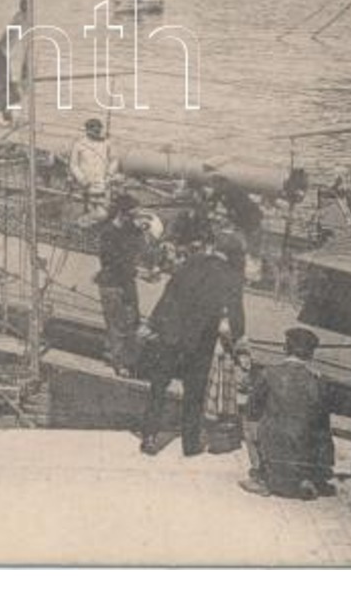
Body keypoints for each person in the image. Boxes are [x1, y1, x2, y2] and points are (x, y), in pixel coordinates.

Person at [139, 234, 246, 457]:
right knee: (194, 393)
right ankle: (190, 444)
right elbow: (236, 318)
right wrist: (236, 335)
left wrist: (153, 324)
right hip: (199, 342)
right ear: (234, 255)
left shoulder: (191, 262)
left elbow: (169, 294)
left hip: (170, 335)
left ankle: (149, 437)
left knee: (158, 386)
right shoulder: (232, 276)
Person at [241, 326, 336, 499]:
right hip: (304, 449)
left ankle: (261, 476)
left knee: (249, 421)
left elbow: (251, 409)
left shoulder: (268, 373)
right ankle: (310, 477)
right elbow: (323, 423)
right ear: (311, 354)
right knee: (321, 427)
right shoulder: (318, 381)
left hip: (274, 447)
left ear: (285, 348)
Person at [93, 192, 146, 375]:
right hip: (112, 284)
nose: (135, 220)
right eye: (133, 215)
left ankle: (123, 358)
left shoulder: (130, 229)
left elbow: (142, 248)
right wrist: (137, 271)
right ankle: (120, 363)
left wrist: (142, 231)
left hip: (126, 282)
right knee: (117, 324)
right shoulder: (108, 233)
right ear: (122, 214)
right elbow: (112, 262)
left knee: (132, 320)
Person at [68, 119, 113, 208]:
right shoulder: (79, 144)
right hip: (85, 183)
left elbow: (114, 160)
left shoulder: (106, 143)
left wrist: (109, 174)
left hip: (101, 183)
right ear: (88, 130)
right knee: (84, 207)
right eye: (95, 131)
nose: (97, 133)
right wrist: (81, 178)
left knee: (102, 211)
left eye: (98, 130)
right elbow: (74, 165)